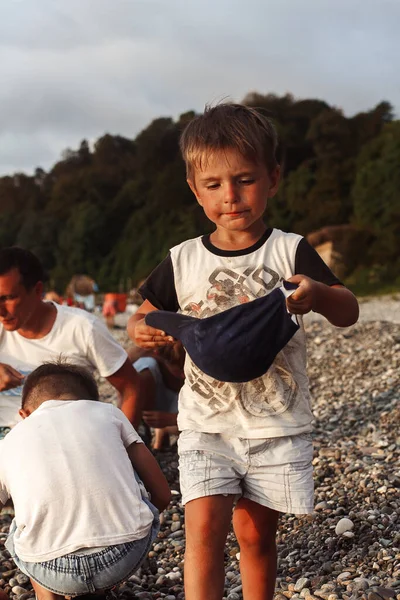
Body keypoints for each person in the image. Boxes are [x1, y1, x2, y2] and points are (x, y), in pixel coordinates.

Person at [127, 103, 359, 600]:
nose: (230, 196)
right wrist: (142, 331)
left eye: (245, 180)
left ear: (273, 178)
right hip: (206, 422)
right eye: (213, 185)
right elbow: (142, 316)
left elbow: (348, 309)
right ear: (195, 188)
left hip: (276, 421)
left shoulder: (290, 250)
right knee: (203, 530)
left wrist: (317, 294)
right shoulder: (182, 259)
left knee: (255, 535)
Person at [0, 362, 170, 600]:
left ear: (24, 415)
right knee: (128, 483)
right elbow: (162, 494)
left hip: (50, 568)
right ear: (92, 402)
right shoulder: (109, 412)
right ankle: (99, 586)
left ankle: (49, 596)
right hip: (122, 555)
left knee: (19, 528)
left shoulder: (9, 441)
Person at [0, 247, 141, 435]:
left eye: (8, 298)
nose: (0, 310)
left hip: (62, 439)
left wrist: (122, 444)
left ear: (38, 290)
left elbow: (131, 386)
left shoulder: (82, 327)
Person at [127, 342, 184, 450]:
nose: (184, 374)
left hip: (188, 417)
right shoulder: (149, 361)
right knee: (142, 372)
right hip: (162, 402)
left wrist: (173, 420)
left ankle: (163, 430)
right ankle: (143, 432)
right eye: (181, 370)